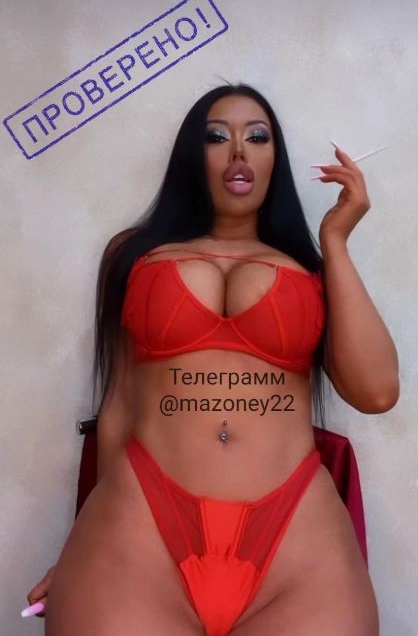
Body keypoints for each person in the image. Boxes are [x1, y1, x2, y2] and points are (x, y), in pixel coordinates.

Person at [28, 83, 398, 635]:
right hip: (138, 530)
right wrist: (81, 546)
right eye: (217, 137)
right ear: (192, 155)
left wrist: (336, 242)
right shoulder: (133, 255)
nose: (239, 152)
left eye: (258, 137)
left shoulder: (313, 269)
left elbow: (377, 392)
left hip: (296, 541)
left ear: (275, 160)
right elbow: (119, 404)